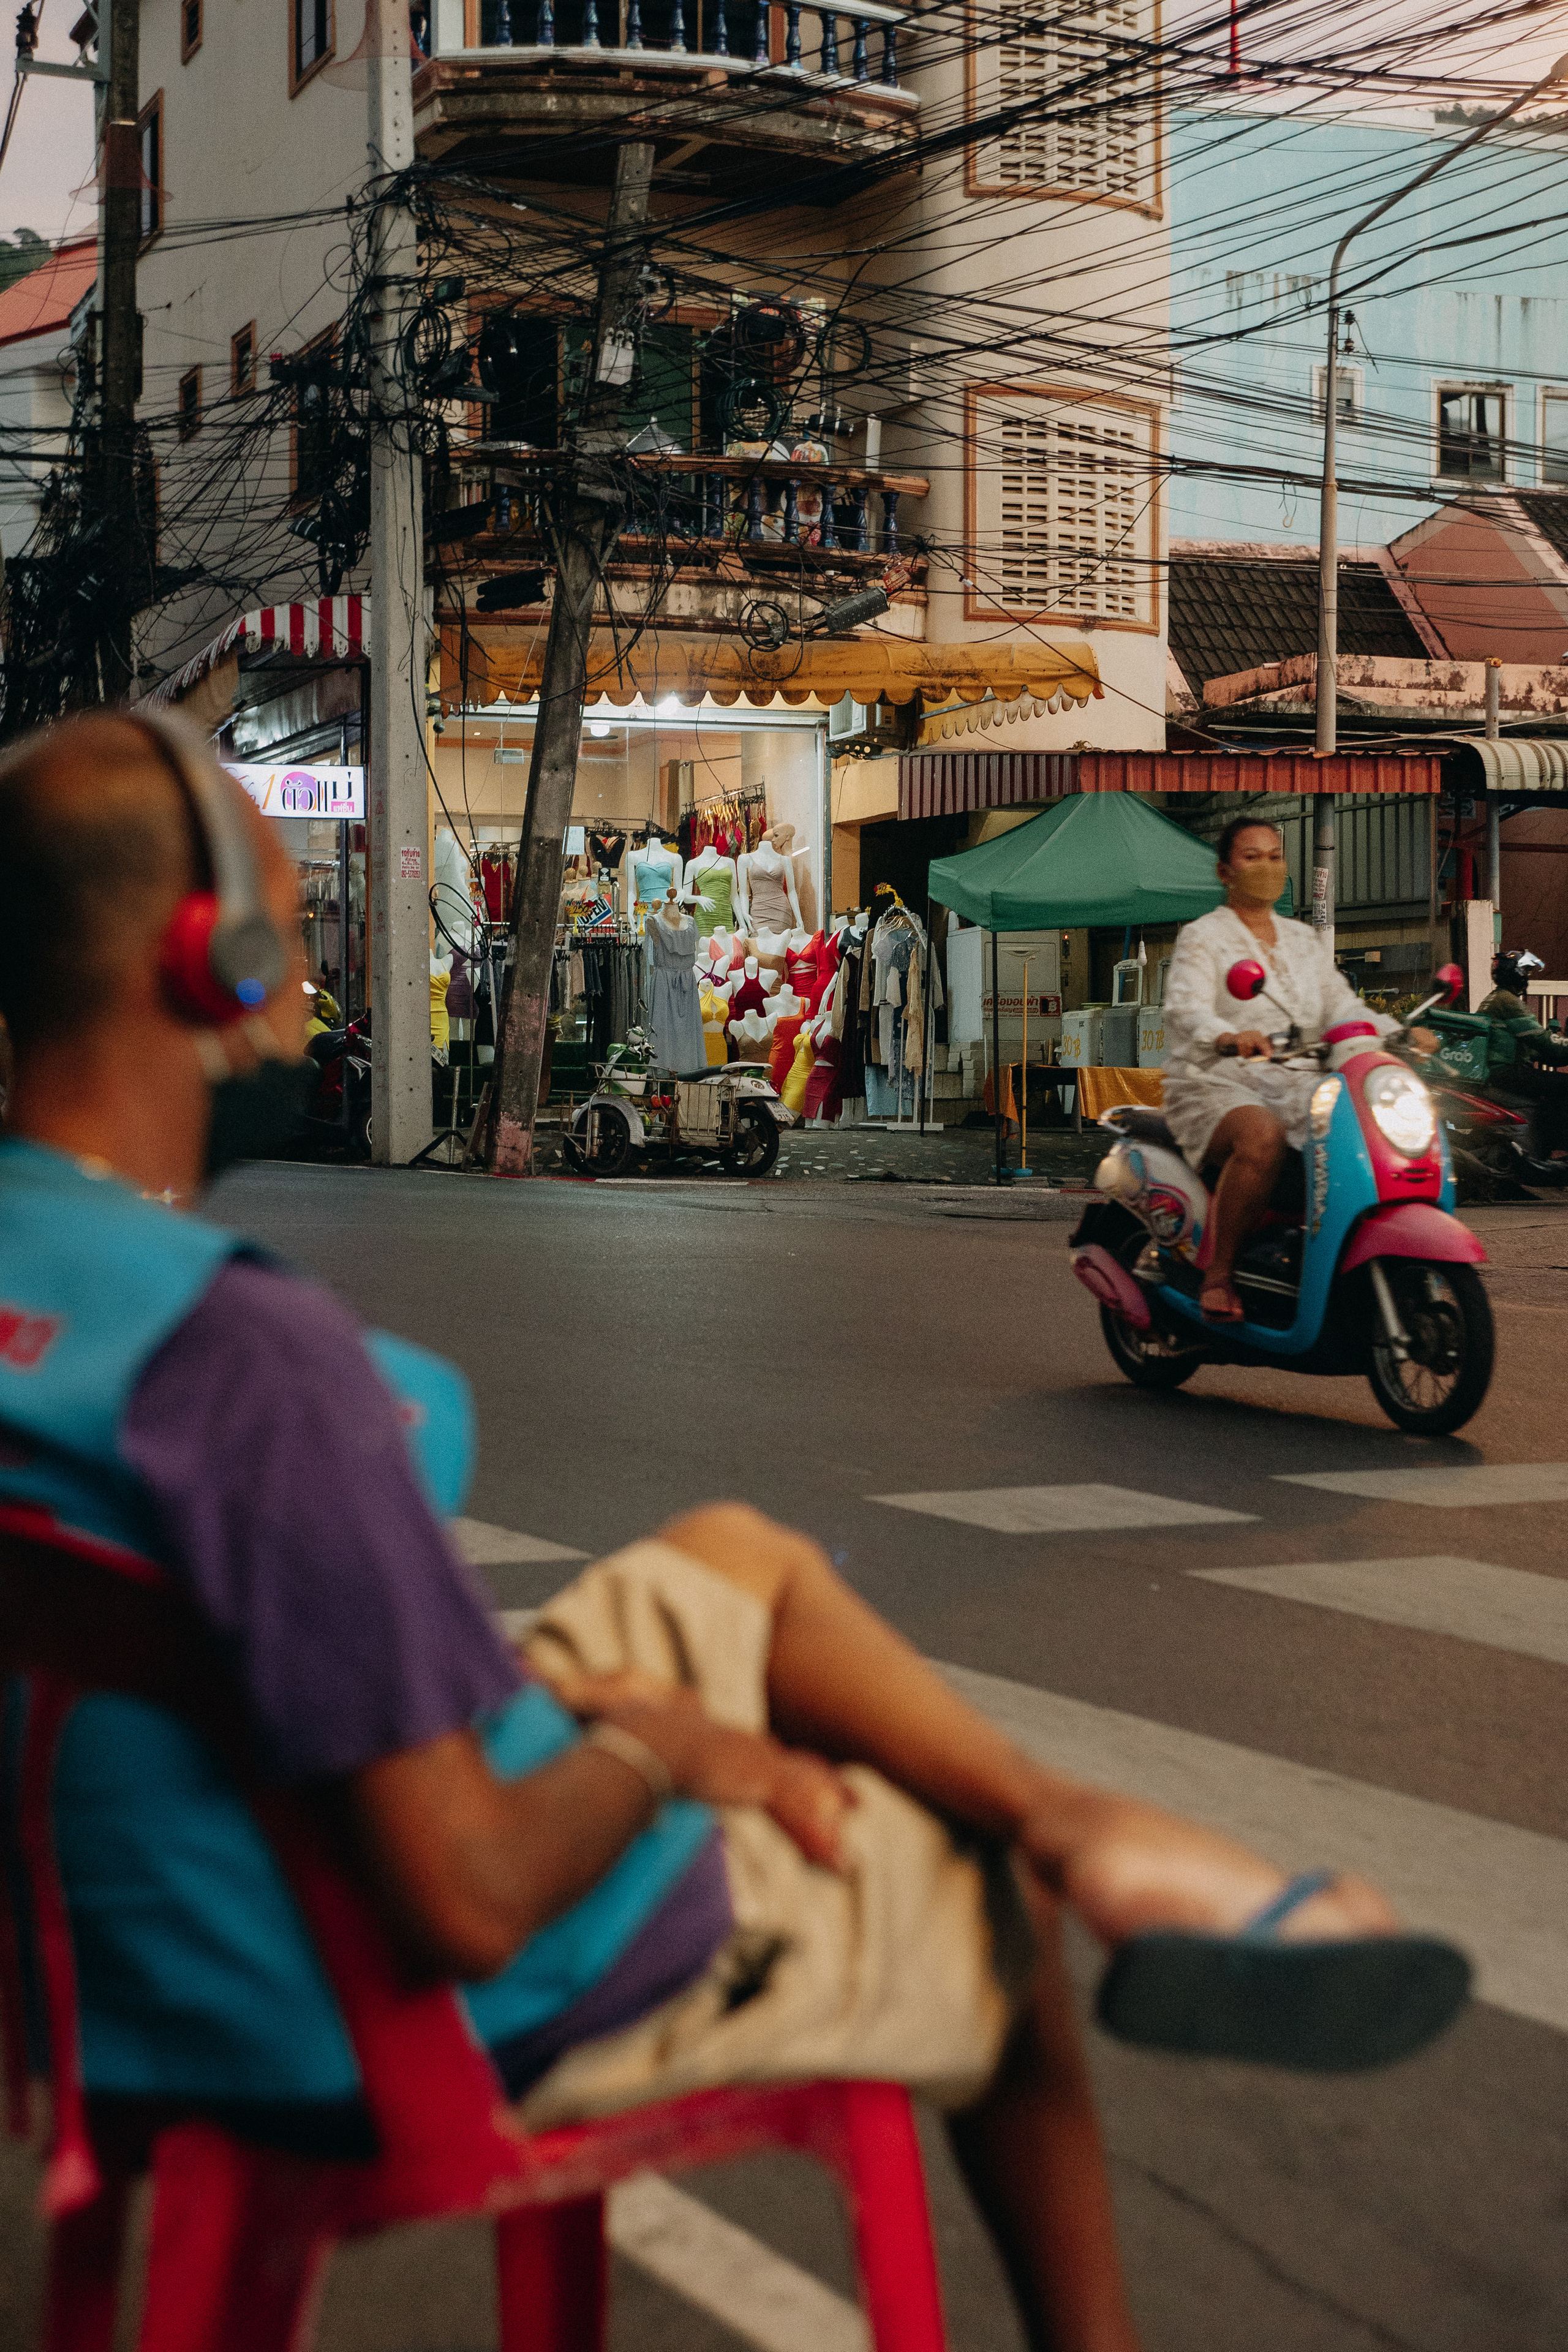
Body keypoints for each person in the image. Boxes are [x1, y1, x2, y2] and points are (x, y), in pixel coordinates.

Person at [0, 720, 1416, 2352]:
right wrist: (665, 1752)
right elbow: (463, 1893)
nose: (304, 972)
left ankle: (1090, 1820)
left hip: (114, 1953)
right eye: (284, 928)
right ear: (211, 958)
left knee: (735, 1556)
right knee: (975, 1897)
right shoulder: (241, 1360)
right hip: (338, 1996)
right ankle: (1058, 1869)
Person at [1163, 817, 1435, 1323]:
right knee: (1262, 1137)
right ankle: (1220, 1273)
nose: (1266, 867)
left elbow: (1340, 1006)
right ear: (1226, 871)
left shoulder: (1302, 940)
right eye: (1251, 857)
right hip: (1215, 1080)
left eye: (1274, 856)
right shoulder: (1204, 937)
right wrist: (1227, 1035)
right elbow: (1185, 1009)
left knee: (1359, 1132)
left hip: (1296, 1079)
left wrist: (1396, 1032)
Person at [1475, 946, 1568, 1156]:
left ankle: (1543, 1146)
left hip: (1499, 1072)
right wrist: (1558, 1047)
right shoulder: (1508, 1001)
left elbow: (1530, 1048)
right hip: (1507, 1073)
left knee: (1551, 1085)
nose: (1527, 977)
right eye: (1525, 972)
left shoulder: (1494, 998)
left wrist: (1553, 1053)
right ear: (1517, 973)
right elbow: (1544, 1041)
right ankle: (1553, 1148)